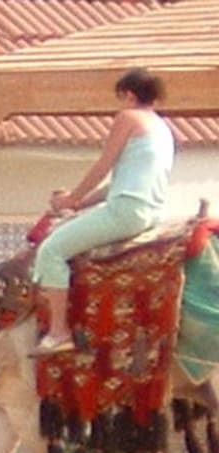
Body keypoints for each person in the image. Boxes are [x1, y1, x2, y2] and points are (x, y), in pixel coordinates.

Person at [30, 67, 175, 356]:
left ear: (129, 95)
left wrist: (72, 196)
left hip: (124, 211)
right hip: (148, 210)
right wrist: (79, 204)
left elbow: (103, 165)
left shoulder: (129, 118)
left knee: (51, 250)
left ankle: (59, 331)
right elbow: (117, 183)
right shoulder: (163, 129)